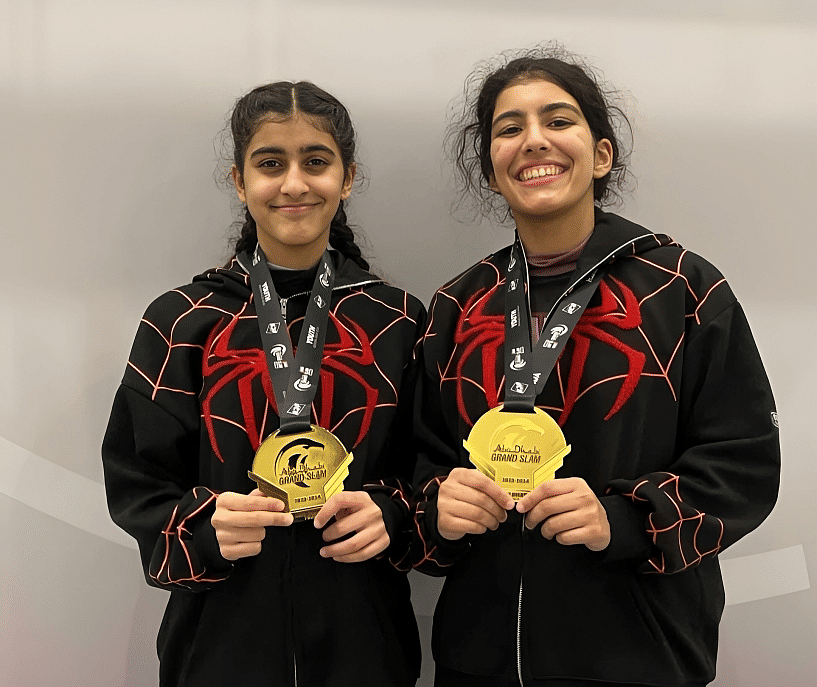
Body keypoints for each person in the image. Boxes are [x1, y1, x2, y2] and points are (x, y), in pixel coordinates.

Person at [412, 46, 780, 687]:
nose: (534, 140)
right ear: (492, 170)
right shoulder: (457, 305)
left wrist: (625, 518)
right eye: (509, 128)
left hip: (641, 653)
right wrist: (439, 507)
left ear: (601, 154)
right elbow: (421, 461)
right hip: (479, 656)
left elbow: (744, 463)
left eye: (558, 120)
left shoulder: (683, 288)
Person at [102, 81, 423, 687]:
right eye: (271, 164)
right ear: (239, 180)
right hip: (217, 646)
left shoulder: (398, 320)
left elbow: (430, 470)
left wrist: (391, 513)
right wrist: (203, 527)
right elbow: (135, 481)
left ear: (347, 179)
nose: (294, 184)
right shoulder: (181, 320)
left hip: (366, 644)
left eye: (316, 162)